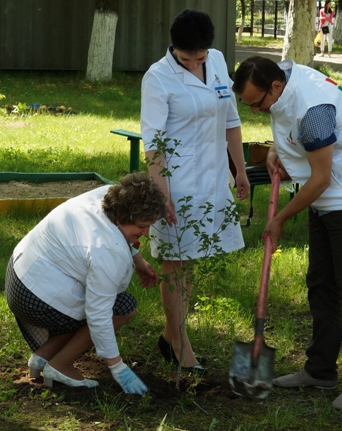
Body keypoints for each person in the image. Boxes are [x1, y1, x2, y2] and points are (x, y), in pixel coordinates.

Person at [232, 56, 342, 411]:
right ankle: (320, 371)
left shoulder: (315, 109)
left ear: (275, 87)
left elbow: (321, 178)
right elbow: (288, 125)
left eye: (257, 104)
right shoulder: (283, 78)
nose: (256, 112)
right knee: (321, 284)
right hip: (323, 198)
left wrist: (280, 218)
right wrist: (278, 150)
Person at [140, 9, 249, 376]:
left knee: (193, 256)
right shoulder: (157, 78)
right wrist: (162, 193)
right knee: (176, 259)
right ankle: (180, 342)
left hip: (214, 176)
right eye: (187, 57)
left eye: (200, 56)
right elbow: (153, 143)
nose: (194, 62)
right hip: (178, 182)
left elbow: (231, 121)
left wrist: (241, 170)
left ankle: (171, 335)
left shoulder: (216, 60)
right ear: (174, 48)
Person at [4, 172, 167, 395]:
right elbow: (99, 314)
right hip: (38, 300)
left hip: (18, 275)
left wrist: (137, 259)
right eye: (141, 226)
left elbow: (121, 236)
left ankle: (42, 357)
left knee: (86, 301)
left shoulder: (108, 196)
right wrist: (117, 366)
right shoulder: (108, 249)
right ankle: (61, 365)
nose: (146, 233)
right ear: (122, 214)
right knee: (122, 307)